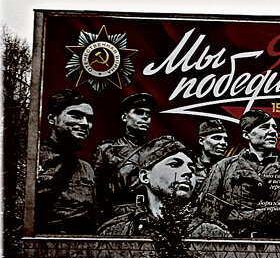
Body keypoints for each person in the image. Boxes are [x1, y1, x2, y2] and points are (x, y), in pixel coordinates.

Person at [197, 108, 280, 238]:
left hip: (275, 250)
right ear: (247, 135)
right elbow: (204, 213)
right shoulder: (224, 167)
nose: (273, 132)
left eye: (274, 128)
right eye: (265, 127)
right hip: (233, 247)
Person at [97, 136, 231, 238]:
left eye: (192, 168)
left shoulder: (213, 234)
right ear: (144, 176)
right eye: (174, 164)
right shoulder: (117, 231)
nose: (188, 172)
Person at [35, 89, 98, 234]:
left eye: (89, 119)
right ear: (52, 118)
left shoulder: (86, 168)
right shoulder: (32, 159)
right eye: (76, 115)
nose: (85, 123)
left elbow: (94, 219)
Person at [92, 92, 155, 220]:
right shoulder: (107, 150)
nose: (145, 117)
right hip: (117, 215)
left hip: (151, 214)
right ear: (125, 117)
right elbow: (94, 190)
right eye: (139, 112)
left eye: (148, 114)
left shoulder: (158, 150)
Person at [192, 119, 229, 187]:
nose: (224, 143)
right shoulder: (190, 167)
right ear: (201, 141)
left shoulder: (230, 167)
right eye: (217, 138)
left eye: (225, 139)